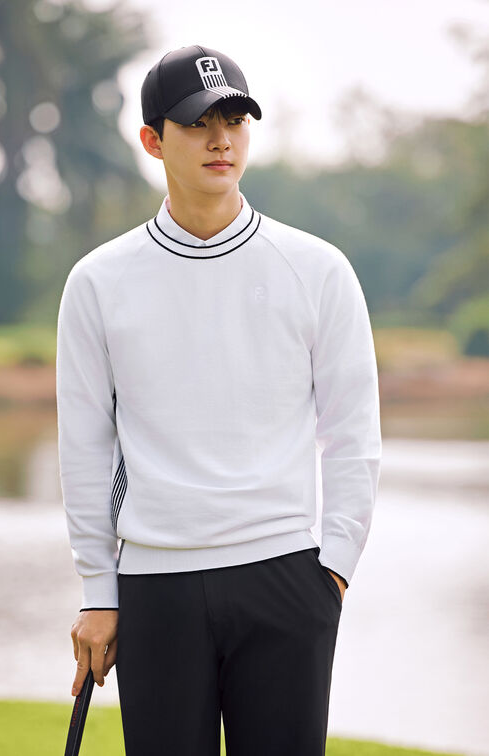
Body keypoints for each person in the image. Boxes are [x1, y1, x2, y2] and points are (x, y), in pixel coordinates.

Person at [56, 44, 382, 756]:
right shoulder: (98, 281)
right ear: (153, 141)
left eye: (234, 120)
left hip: (287, 576)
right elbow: (84, 446)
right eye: (197, 122)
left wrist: (334, 569)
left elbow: (353, 431)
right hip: (156, 585)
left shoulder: (317, 269)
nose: (220, 139)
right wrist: (98, 590)